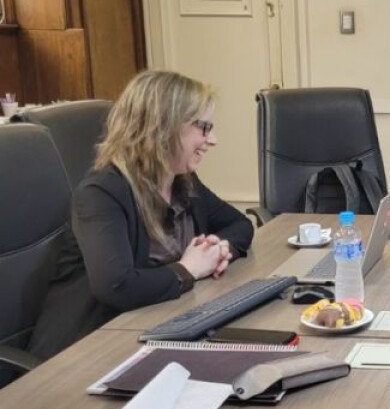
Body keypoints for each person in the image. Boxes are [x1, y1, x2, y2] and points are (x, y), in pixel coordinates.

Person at [28, 70, 254, 359]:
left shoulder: (182, 182)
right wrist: (188, 270)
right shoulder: (101, 194)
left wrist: (219, 250)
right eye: (204, 128)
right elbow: (116, 286)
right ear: (164, 126)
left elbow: (239, 224)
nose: (213, 140)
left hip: (156, 328)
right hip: (88, 351)